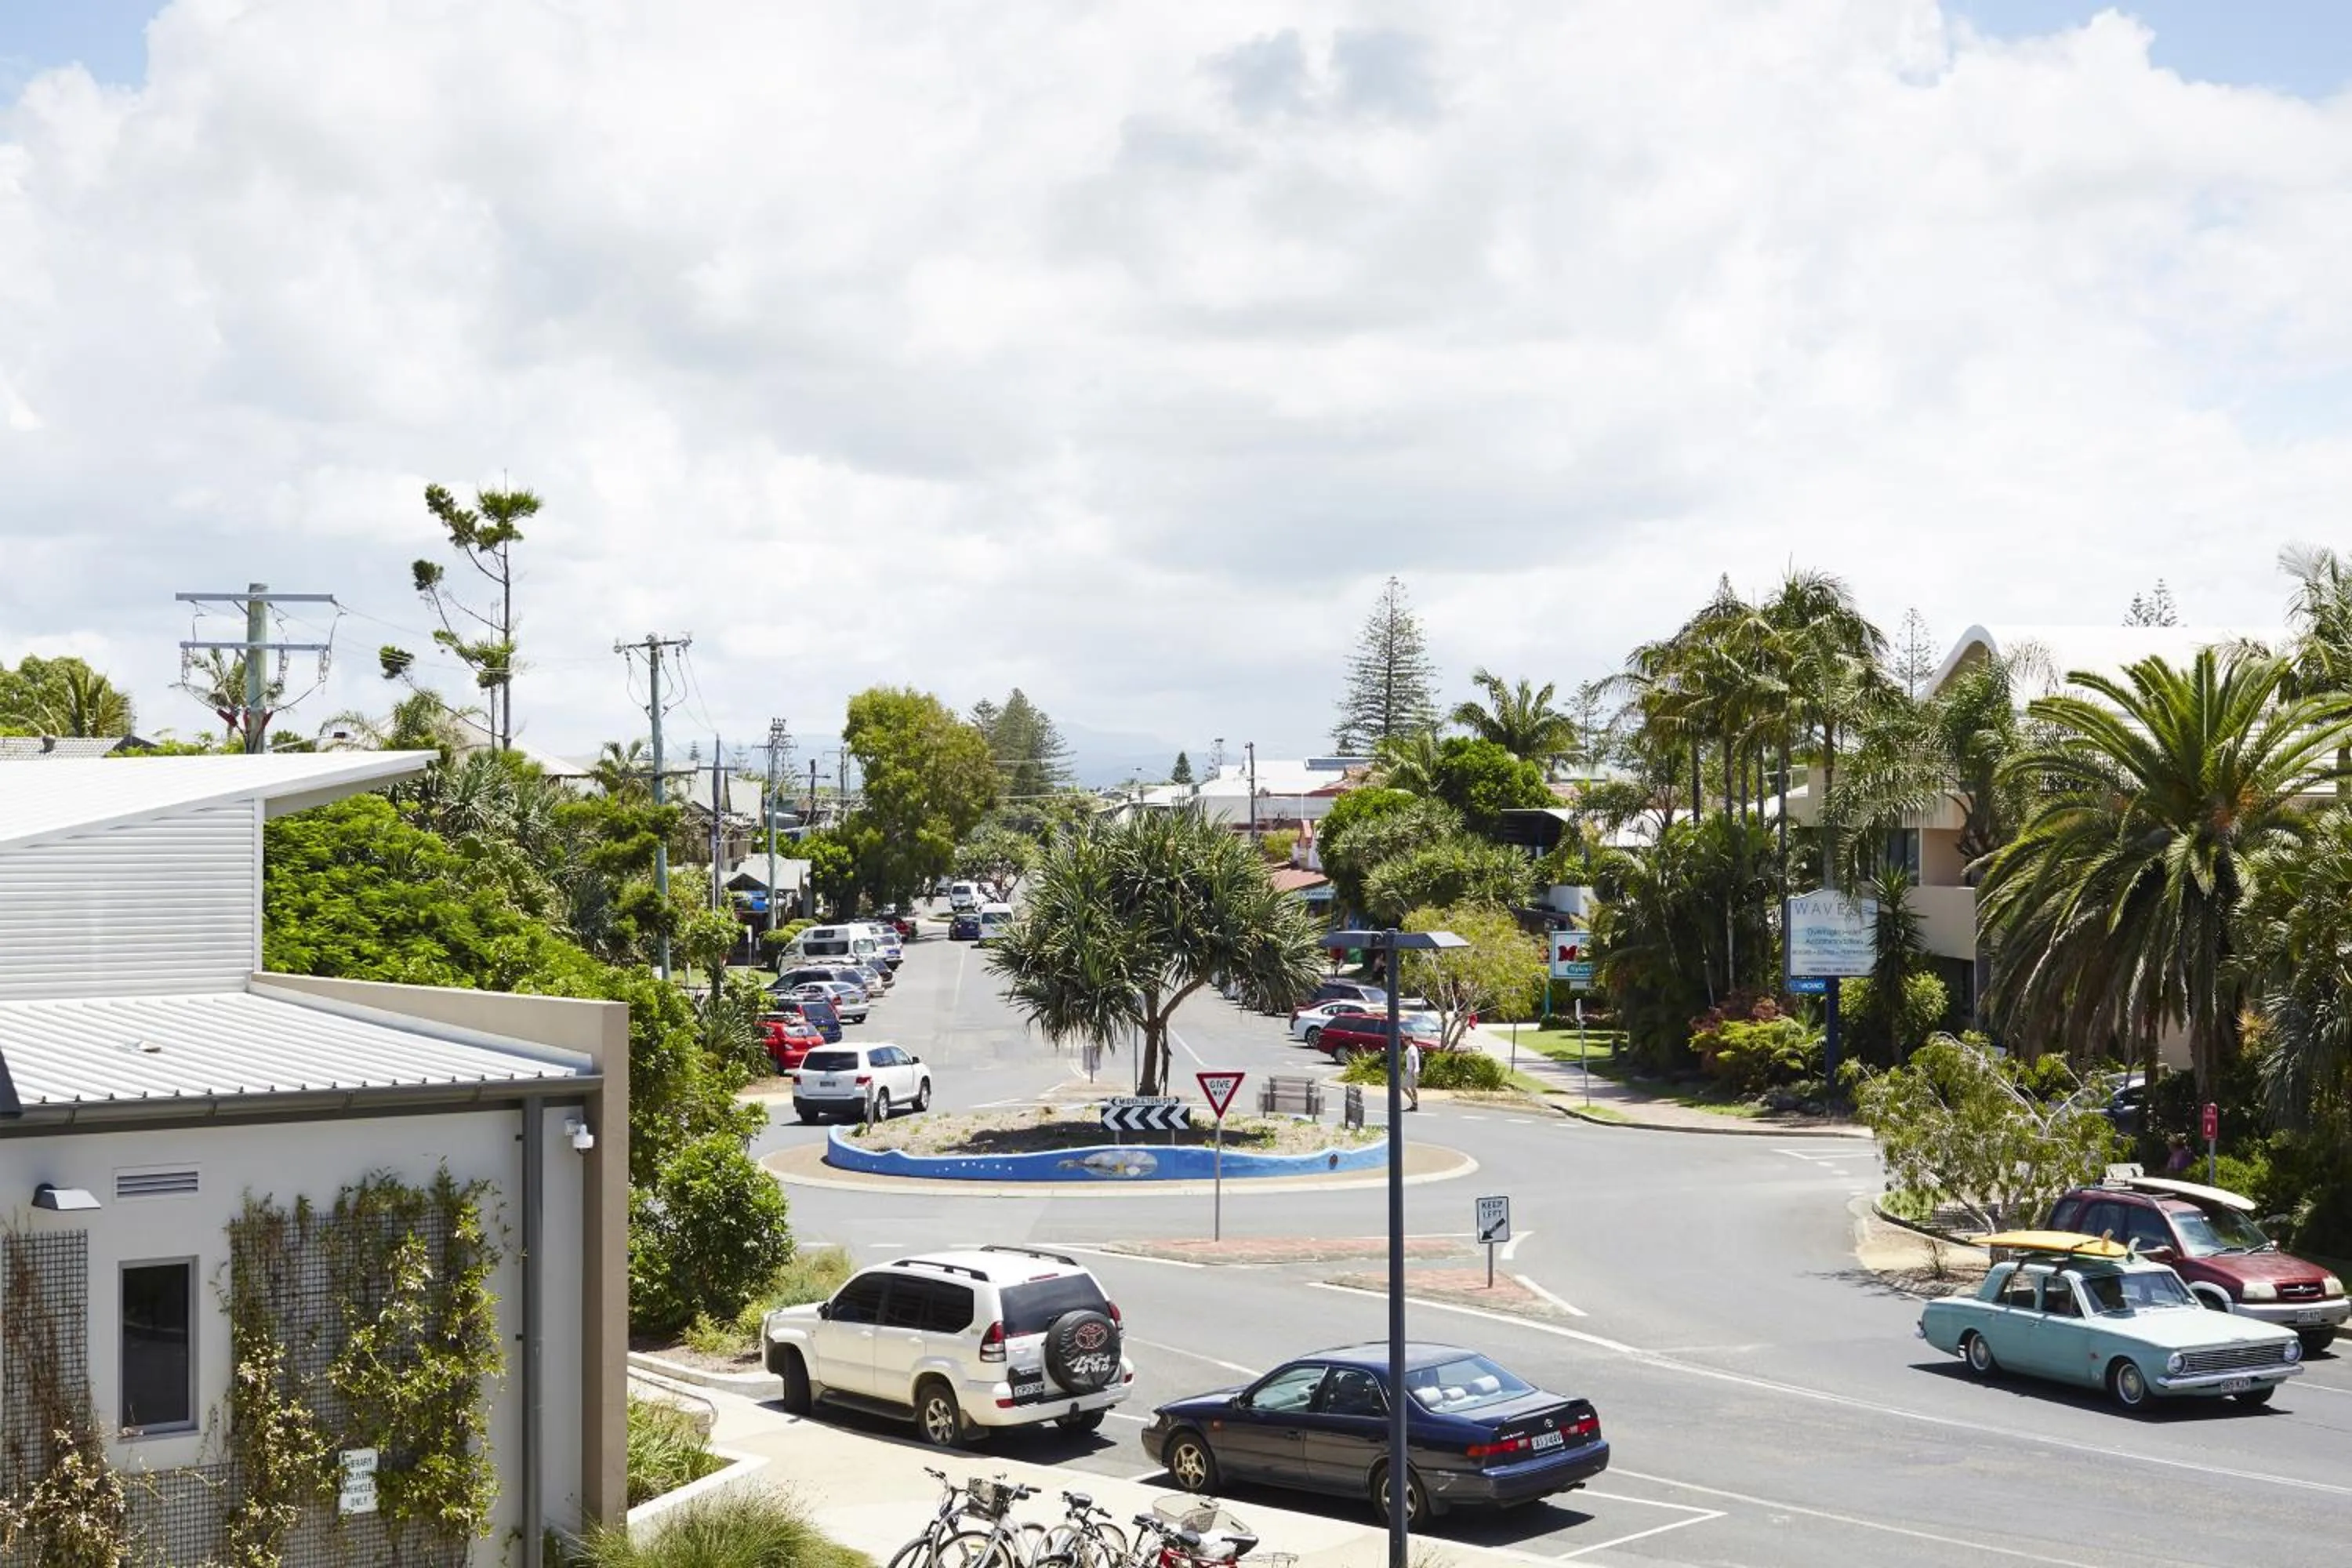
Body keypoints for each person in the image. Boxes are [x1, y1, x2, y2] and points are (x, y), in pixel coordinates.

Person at [1403, 1038, 1422, 1112]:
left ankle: (1414, 1102)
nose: (1404, 1042)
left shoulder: (1412, 1048)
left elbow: (1414, 1059)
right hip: (1412, 1070)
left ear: (1409, 1040)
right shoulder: (1411, 1048)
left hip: (1412, 1071)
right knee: (1413, 1088)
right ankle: (1414, 1105)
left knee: (1404, 1087)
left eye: (1405, 1040)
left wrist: (1413, 1071)